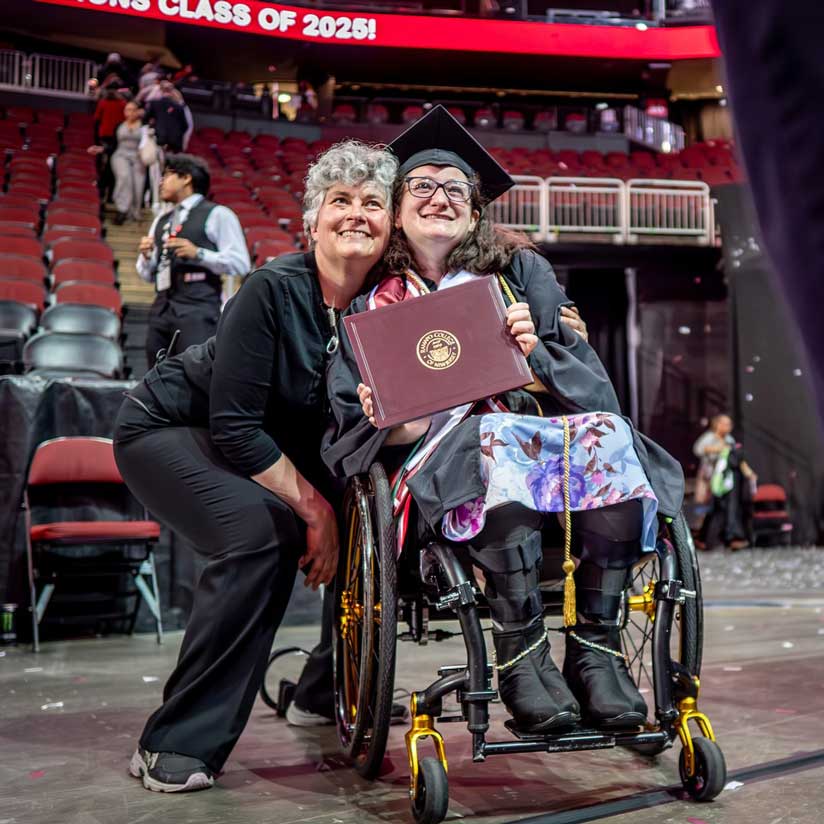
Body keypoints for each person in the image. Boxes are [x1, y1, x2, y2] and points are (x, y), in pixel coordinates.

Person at [322, 106, 684, 733]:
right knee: (494, 439)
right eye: (422, 186)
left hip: (542, 445)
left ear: (474, 210)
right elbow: (361, 427)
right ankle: (521, 654)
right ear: (398, 209)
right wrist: (391, 419)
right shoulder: (372, 303)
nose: (439, 198)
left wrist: (532, 354)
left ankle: (595, 654)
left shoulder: (519, 276)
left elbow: (591, 385)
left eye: (455, 189)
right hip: (440, 468)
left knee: (612, 436)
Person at [114, 140, 398, 792]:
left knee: (375, 528)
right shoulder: (273, 288)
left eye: (373, 202)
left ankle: (321, 691)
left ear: (391, 225)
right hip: (170, 429)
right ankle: (174, 740)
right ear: (313, 221)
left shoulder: (383, 303)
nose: (357, 213)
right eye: (341, 200)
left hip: (267, 446)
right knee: (259, 535)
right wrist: (316, 510)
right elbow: (235, 428)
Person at [136, 153, 250, 368]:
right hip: (162, 304)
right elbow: (148, 275)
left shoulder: (218, 214)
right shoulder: (161, 220)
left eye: (167, 175)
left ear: (186, 178)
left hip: (199, 305)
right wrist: (146, 257)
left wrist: (199, 254)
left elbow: (240, 263)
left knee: (195, 372)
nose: (161, 182)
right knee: (155, 371)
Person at [693, 414, 757, 551]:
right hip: (709, 477)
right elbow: (698, 450)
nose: (728, 427)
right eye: (725, 424)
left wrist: (749, 473)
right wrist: (720, 449)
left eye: (730, 424)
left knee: (721, 507)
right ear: (718, 424)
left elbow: (737, 458)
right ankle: (701, 536)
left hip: (724, 478)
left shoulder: (729, 439)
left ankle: (727, 537)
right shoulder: (709, 437)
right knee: (709, 508)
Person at [110, 101, 146, 225]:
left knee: (138, 185)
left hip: (138, 158)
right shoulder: (119, 125)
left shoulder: (144, 127)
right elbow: (113, 144)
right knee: (125, 177)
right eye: (127, 110)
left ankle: (134, 211)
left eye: (133, 109)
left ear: (138, 111)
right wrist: (102, 149)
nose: (130, 112)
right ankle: (122, 209)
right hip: (120, 156)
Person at [144, 80, 191, 154]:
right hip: (174, 141)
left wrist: (153, 126)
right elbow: (186, 126)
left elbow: (145, 120)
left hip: (160, 139)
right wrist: (177, 134)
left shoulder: (154, 103)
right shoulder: (180, 107)